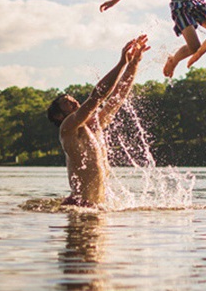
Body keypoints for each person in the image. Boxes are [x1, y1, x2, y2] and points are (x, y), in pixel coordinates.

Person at [47, 34, 150, 208]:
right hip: (80, 205)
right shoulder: (68, 128)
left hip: (95, 206)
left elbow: (118, 96)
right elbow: (97, 97)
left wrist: (134, 64)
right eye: (66, 102)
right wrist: (121, 63)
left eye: (72, 98)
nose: (73, 101)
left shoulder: (94, 126)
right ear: (59, 116)